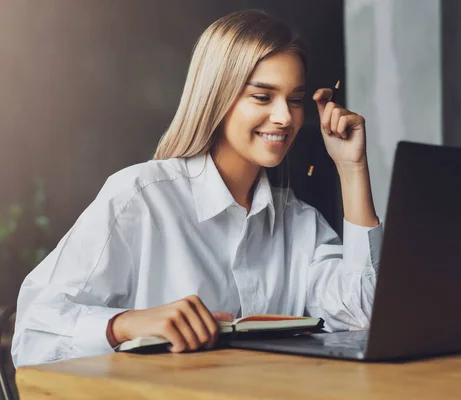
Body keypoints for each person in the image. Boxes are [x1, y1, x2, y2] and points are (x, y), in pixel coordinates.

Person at [11, 9, 382, 367]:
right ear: (218, 95)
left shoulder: (299, 223)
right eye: (262, 96)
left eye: (295, 100)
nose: (285, 117)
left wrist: (352, 170)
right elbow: (32, 335)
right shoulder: (140, 197)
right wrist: (125, 324)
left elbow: (363, 320)